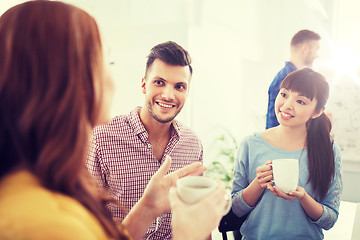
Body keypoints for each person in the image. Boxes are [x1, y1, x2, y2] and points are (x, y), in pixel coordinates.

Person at [0, 1, 227, 240]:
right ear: (66, 82)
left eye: (179, 86)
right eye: (105, 64)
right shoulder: (45, 223)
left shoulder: (39, 191)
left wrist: (149, 208)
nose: (113, 81)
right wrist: (189, 233)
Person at [86, 41, 203, 239]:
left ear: (187, 92)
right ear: (143, 85)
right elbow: (87, 219)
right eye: (159, 82)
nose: (168, 95)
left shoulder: (192, 144)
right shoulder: (102, 138)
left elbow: (194, 214)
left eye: (179, 86)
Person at [232, 68, 343, 239]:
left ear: (317, 111)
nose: (287, 105)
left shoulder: (328, 150)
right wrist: (258, 183)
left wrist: (303, 198)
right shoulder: (250, 144)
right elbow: (235, 209)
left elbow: (330, 220)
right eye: (284, 94)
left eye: (301, 101)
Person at [266, 29, 321, 129]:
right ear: (305, 48)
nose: (317, 55)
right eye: (316, 49)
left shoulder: (288, 76)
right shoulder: (286, 78)